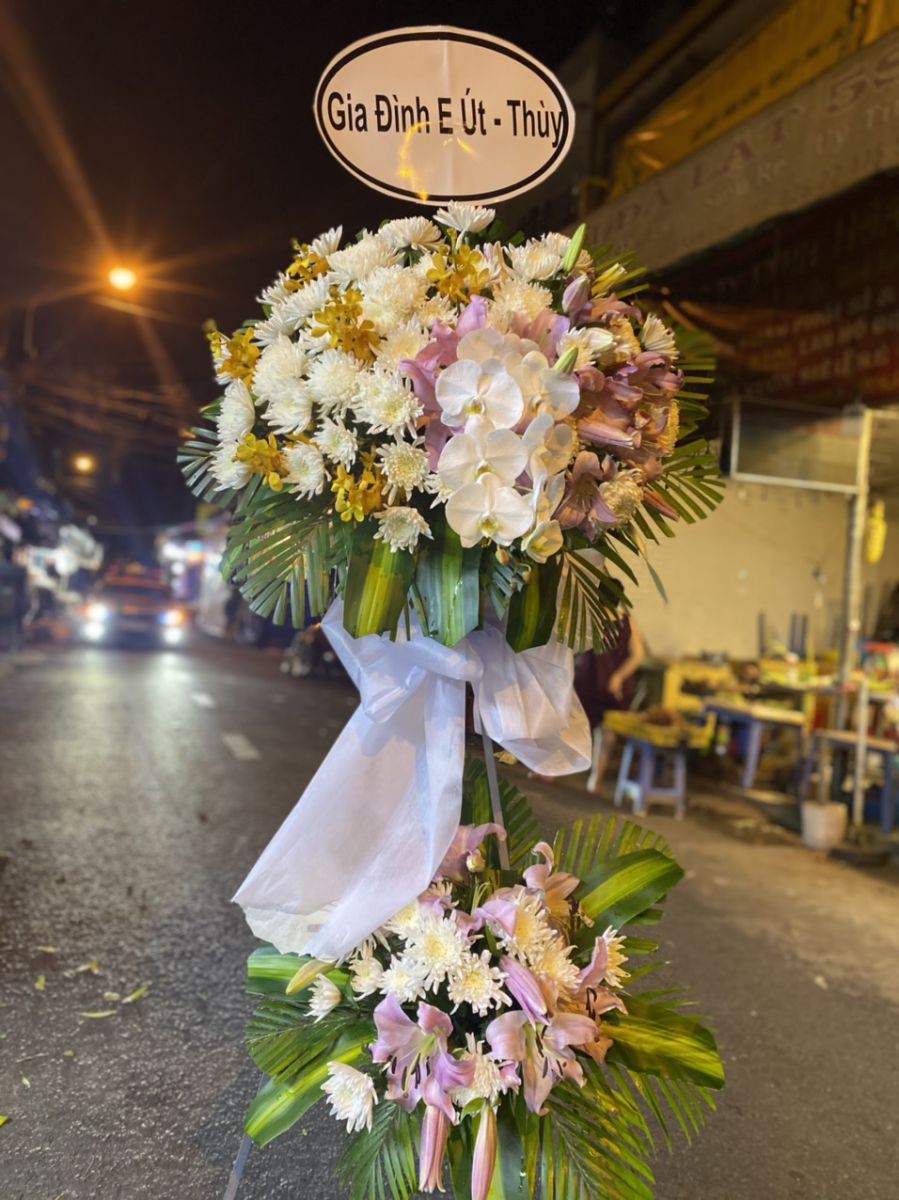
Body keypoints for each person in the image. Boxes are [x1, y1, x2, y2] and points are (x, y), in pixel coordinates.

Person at [577, 613, 645, 794]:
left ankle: (595, 780)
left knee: (607, 733)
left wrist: (619, 676)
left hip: (613, 686)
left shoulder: (626, 621)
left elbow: (638, 654)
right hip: (589, 680)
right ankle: (550, 771)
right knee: (571, 725)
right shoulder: (589, 613)